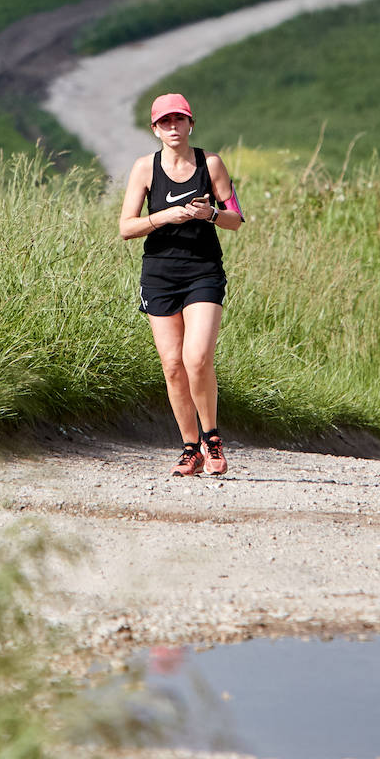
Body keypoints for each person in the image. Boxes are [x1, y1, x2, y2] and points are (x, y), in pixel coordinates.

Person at [119, 93, 244, 476]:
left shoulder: (211, 163)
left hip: (203, 272)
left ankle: (213, 438)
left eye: (180, 120)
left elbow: (236, 219)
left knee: (197, 358)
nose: (173, 127)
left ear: (191, 124)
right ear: (155, 129)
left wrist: (211, 214)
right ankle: (190, 448)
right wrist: (165, 217)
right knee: (173, 366)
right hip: (159, 275)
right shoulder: (144, 168)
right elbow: (126, 227)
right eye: (165, 122)